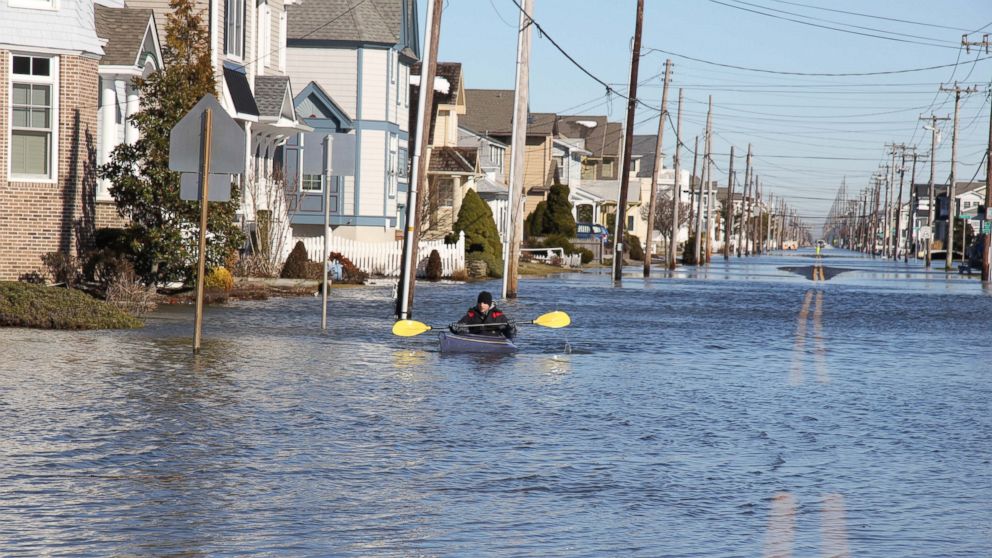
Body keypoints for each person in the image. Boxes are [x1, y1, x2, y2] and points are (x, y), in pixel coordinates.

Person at [450, 291, 516, 338]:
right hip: (475, 341)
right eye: (480, 302)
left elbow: (510, 335)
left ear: (489, 304)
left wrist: (511, 327)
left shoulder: (498, 315)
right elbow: (461, 326)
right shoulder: (471, 314)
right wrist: (455, 328)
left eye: (484, 302)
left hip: (495, 342)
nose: (481, 305)